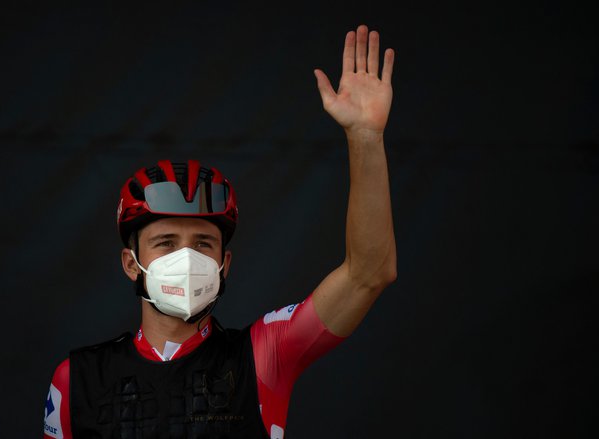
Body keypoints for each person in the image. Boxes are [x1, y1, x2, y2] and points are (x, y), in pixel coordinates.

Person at [43, 23, 396, 439]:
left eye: (203, 243)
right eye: (165, 242)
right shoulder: (76, 380)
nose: (186, 257)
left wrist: (365, 138)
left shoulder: (265, 356)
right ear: (130, 263)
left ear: (224, 262)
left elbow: (368, 274)